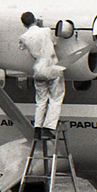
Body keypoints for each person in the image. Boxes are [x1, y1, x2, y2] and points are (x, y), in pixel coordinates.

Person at [19, 11, 65, 140]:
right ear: (35, 19)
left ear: (23, 24)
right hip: (51, 66)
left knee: (41, 100)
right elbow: (55, 42)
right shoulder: (46, 31)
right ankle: (49, 128)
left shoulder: (24, 37)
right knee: (56, 98)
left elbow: (22, 48)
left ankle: (37, 128)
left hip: (38, 68)